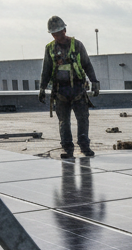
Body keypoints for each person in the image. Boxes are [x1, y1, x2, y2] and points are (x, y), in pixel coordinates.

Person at [39, 16, 100, 159]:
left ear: (65, 30)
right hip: (60, 91)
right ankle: (67, 148)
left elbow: (87, 64)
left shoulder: (77, 45)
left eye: (59, 33)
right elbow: (46, 69)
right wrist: (42, 88)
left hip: (78, 88)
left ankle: (84, 146)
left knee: (83, 119)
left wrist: (94, 82)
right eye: (54, 34)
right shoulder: (50, 48)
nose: (57, 36)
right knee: (63, 121)